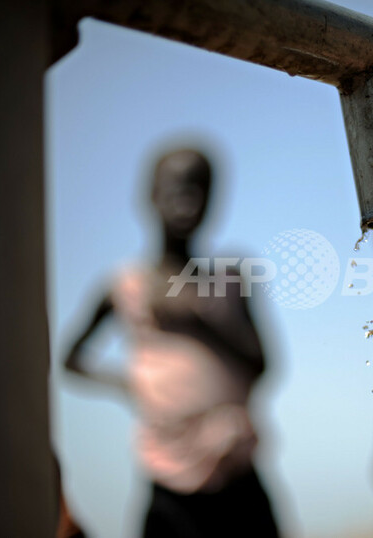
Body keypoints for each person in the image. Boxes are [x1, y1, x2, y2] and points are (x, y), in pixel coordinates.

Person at [63, 148, 280, 537]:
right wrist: (127, 385)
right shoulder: (126, 286)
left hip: (236, 471)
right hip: (168, 473)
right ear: (149, 196)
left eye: (200, 190)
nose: (188, 201)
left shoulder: (231, 279)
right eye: (176, 188)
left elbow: (262, 365)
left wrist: (198, 323)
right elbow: (71, 359)